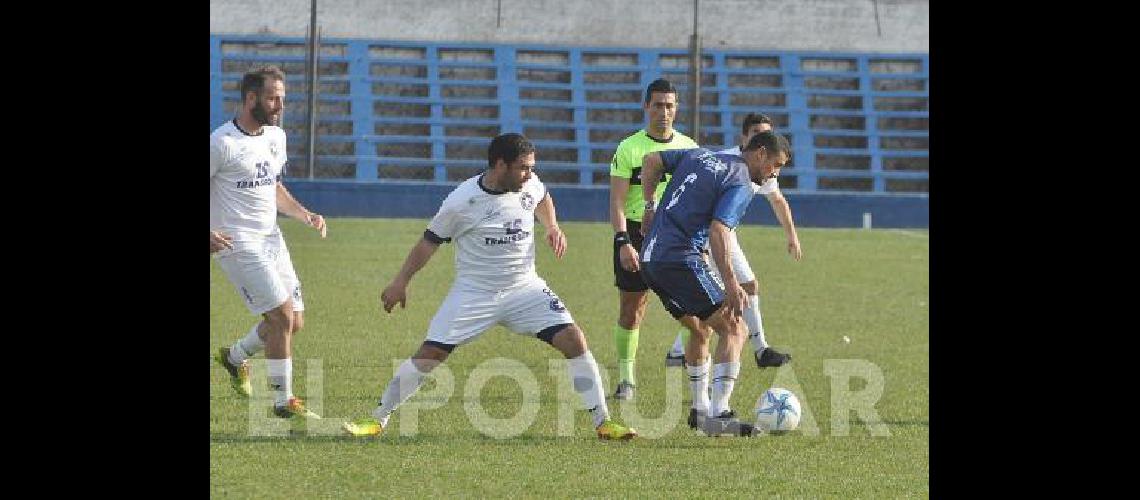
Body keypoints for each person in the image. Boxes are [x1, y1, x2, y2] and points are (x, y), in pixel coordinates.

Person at [342, 133, 637, 440]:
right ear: (500, 165)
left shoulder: (529, 184)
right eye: (523, 168)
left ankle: (603, 422)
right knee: (430, 353)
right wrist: (400, 281)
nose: (529, 174)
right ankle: (377, 419)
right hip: (475, 293)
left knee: (574, 340)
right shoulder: (461, 201)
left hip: (526, 289)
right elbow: (429, 242)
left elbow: (543, 195)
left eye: (531, 167)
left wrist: (552, 226)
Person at [638, 130, 792, 435]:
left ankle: (699, 411)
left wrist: (649, 205)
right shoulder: (740, 181)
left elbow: (651, 160)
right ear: (760, 153)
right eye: (776, 165)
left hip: (651, 259)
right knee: (735, 327)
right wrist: (732, 285)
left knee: (699, 328)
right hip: (679, 259)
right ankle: (720, 414)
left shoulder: (700, 154)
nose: (775, 173)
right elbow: (719, 231)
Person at [211, 65, 328, 421]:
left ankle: (234, 357)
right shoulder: (221, 144)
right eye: (273, 97)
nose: (279, 104)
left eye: (282, 97)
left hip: (271, 238)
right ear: (251, 99)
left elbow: (271, 186)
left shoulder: (276, 137)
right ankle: (283, 400)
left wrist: (304, 214)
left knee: (295, 322)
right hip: (237, 241)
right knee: (280, 316)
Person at [664, 113, 800, 369]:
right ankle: (682, 354)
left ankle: (760, 350)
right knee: (715, 301)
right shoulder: (729, 162)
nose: (763, 140)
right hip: (709, 235)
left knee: (747, 287)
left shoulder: (766, 166)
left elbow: (777, 199)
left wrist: (791, 234)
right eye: (757, 134)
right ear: (745, 138)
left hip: (726, 233)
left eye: (766, 134)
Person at [607, 78, 699, 400]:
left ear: (677, 108)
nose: (664, 111)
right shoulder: (629, 148)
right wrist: (622, 242)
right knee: (633, 307)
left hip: (675, 235)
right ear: (647, 106)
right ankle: (626, 378)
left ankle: (693, 371)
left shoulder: (688, 148)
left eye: (669, 105)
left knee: (699, 307)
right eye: (658, 104)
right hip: (636, 233)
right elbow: (617, 202)